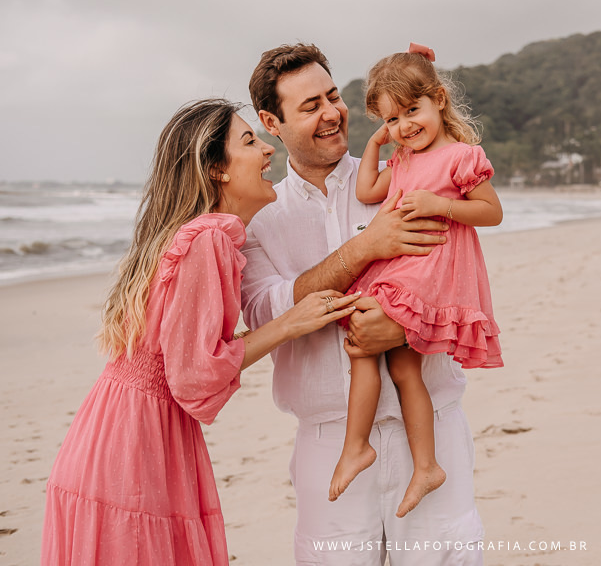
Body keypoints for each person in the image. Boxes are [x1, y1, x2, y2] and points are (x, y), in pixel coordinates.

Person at [41, 99, 358, 566]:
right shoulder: (207, 239)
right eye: (249, 141)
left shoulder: (197, 234)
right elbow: (193, 376)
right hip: (135, 445)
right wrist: (288, 322)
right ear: (217, 170)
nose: (267, 150)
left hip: (115, 431)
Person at [242, 42, 486, 565]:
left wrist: (405, 328)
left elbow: (454, 266)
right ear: (271, 121)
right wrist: (362, 249)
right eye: (310, 106)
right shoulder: (260, 214)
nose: (332, 113)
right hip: (330, 441)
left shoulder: (403, 173)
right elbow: (265, 314)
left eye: (333, 96)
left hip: (432, 425)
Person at [329, 43, 503, 518]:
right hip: (398, 269)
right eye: (391, 120)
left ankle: (355, 448)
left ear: (439, 99)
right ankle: (420, 465)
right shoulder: (402, 158)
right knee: (397, 366)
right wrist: (374, 145)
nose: (404, 126)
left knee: (365, 345)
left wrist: (439, 205)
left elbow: (491, 212)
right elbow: (366, 189)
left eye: (412, 110)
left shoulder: (462, 157)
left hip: (426, 275)